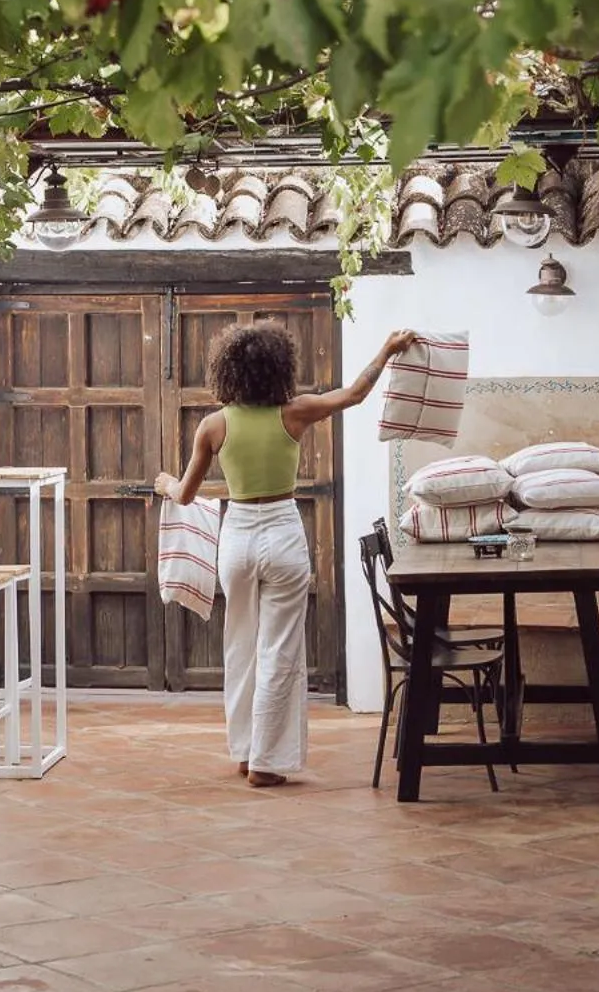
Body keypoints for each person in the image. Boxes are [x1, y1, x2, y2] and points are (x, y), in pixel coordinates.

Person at [155, 320, 414, 787]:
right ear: (279, 368)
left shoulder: (213, 425)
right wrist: (387, 348)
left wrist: (165, 484)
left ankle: (244, 751)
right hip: (283, 534)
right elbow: (355, 393)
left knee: (240, 645)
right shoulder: (295, 413)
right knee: (279, 650)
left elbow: (186, 495)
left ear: (227, 371)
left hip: (236, 540)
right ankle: (266, 763)